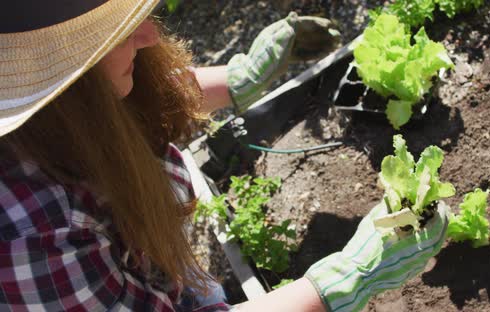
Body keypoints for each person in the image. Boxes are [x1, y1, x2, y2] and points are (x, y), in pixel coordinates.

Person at [0, 1, 449, 311]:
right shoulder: (33, 238)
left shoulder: (63, 112)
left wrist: (241, 77)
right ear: (55, 85)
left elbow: (123, 100)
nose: (150, 33)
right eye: (116, 34)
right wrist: (349, 277)